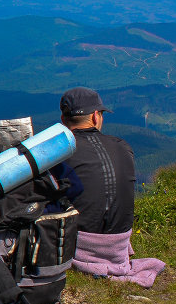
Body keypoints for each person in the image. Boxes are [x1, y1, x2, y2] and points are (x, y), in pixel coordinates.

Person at [60, 87, 165, 287]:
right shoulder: (123, 146)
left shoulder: (61, 153)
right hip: (118, 245)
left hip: (79, 244)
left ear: (63, 120)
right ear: (95, 117)